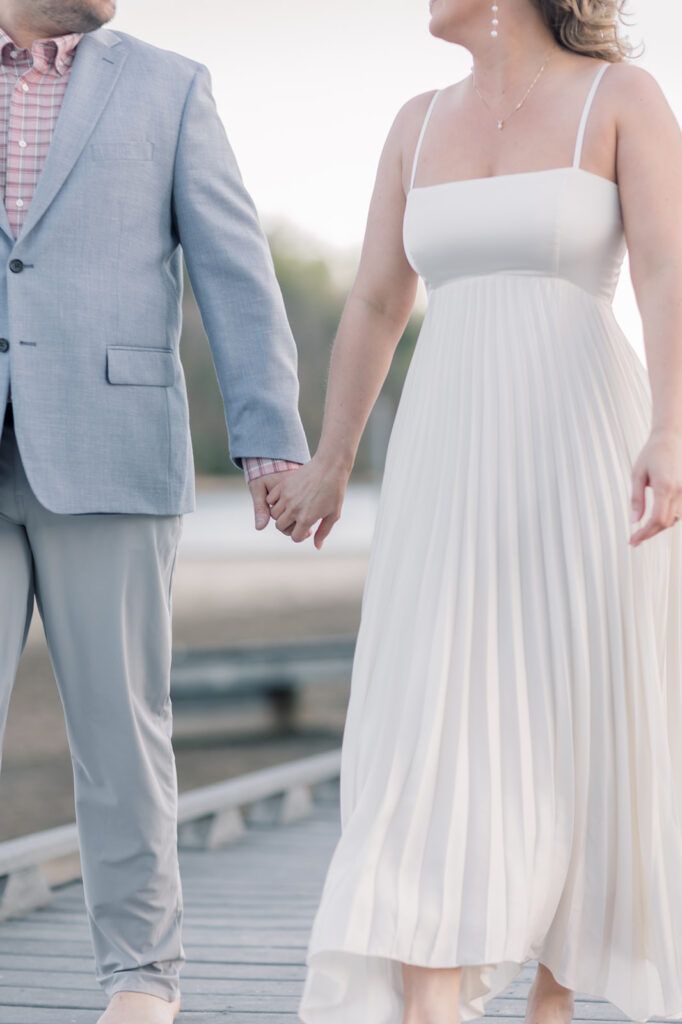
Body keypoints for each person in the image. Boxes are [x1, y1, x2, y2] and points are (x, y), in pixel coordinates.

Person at [265, 1, 682, 1021]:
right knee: (426, 716)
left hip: (585, 443)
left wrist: (672, 430)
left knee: (577, 715)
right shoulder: (414, 122)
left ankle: (552, 999)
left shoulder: (620, 99)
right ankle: (428, 1004)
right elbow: (372, 299)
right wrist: (331, 458)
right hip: (444, 456)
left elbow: (670, 270)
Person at [0, 1, 309, 1022]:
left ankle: (140, 977)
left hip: (112, 445)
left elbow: (234, 265)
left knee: (120, 735)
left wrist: (268, 435)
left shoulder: (169, 85)